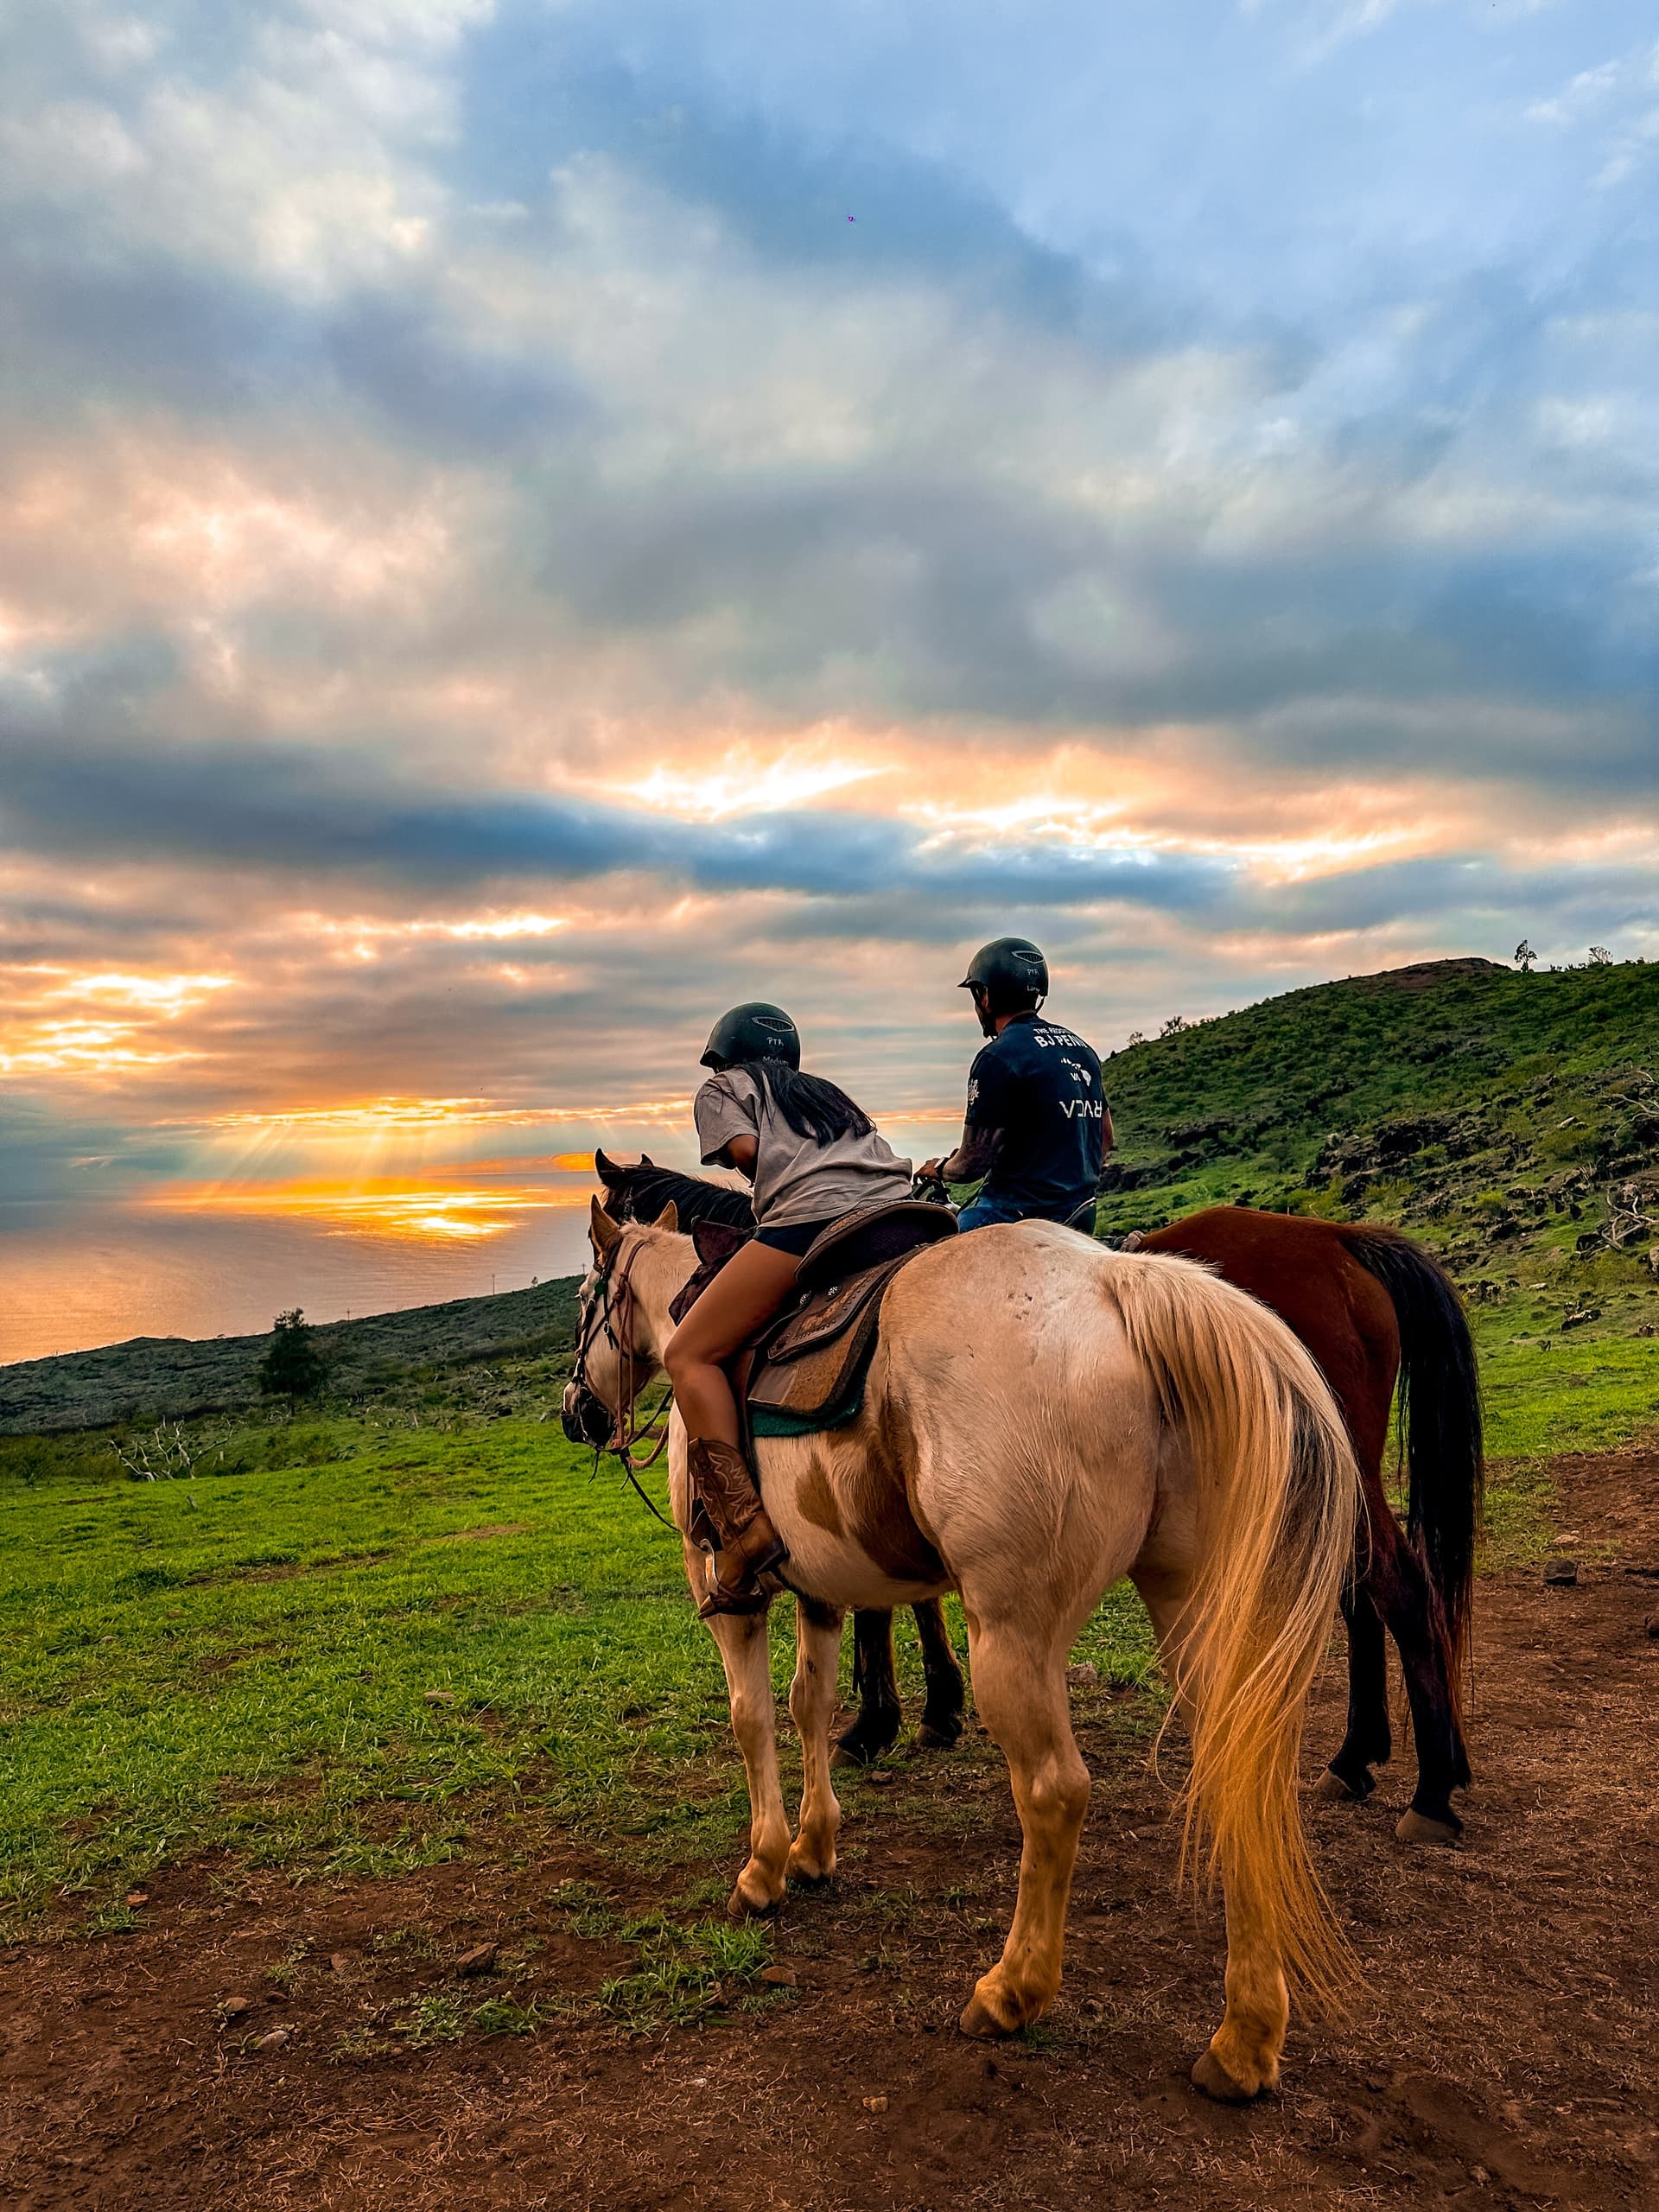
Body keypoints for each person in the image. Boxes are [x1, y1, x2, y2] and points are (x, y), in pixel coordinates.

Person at [663, 1001, 912, 1615]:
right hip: (901, 1216)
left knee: (688, 1353)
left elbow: (745, 1152)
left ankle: (744, 1532)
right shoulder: (824, 1093)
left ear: (725, 1055)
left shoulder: (723, 1088)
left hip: (813, 1221)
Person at [919, 937, 1112, 1234]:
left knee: (928, 1254)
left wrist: (940, 1168)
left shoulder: (998, 1057)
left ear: (985, 996)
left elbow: (972, 1163)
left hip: (1015, 1216)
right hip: (1080, 1213)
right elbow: (1105, 1137)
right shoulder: (1082, 1050)